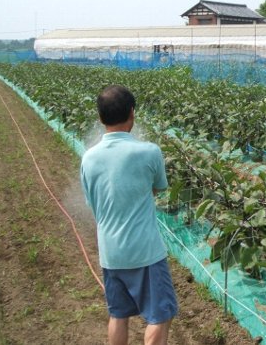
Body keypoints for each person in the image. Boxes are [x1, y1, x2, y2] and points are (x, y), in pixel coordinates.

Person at [80, 85, 177, 345]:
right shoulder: (149, 151)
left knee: (118, 315)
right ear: (132, 113)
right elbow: (157, 188)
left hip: (111, 253)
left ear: (100, 118)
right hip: (145, 253)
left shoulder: (88, 158)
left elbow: (93, 201)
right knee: (159, 315)